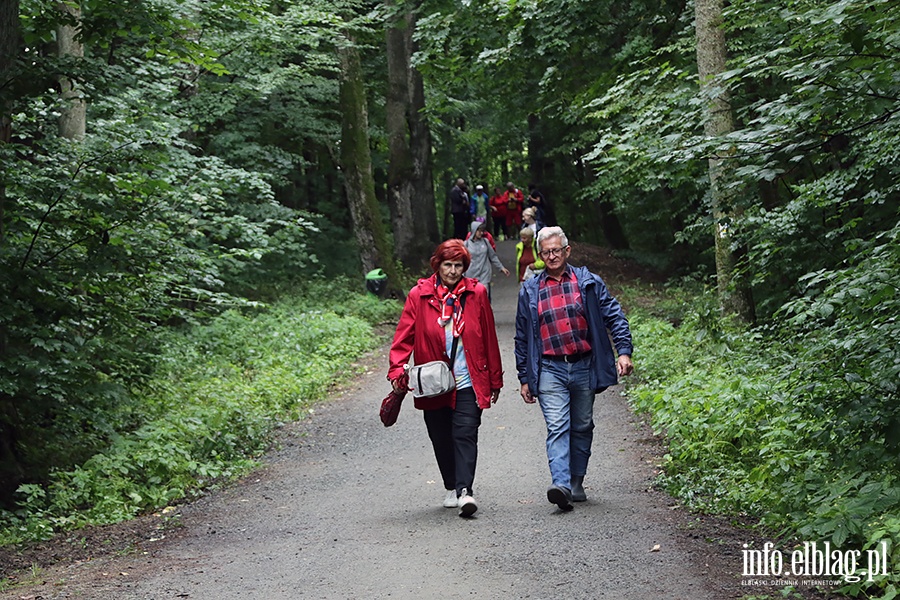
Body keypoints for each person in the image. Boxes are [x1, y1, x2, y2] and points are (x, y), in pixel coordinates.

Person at [514, 226, 634, 511]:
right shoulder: (530, 289)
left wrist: (624, 351)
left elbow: (614, 316)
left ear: (567, 251)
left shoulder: (589, 282)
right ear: (540, 256)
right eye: (546, 252)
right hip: (549, 368)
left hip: (583, 365)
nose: (552, 256)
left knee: (581, 425)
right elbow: (521, 337)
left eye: (557, 250)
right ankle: (562, 485)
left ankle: (576, 480)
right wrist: (524, 377)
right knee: (557, 426)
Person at [388, 239, 503, 517]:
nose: (452, 271)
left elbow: (489, 337)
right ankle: (451, 485)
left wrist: (495, 380)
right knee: (440, 436)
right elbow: (404, 337)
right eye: (447, 265)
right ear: (437, 265)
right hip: (432, 382)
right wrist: (397, 369)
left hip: (468, 379)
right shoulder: (419, 295)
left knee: (465, 433)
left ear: (465, 267)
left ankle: (465, 491)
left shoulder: (477, 294)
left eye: (458, 265)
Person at [464, 221, 510, 302]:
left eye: (482, 231)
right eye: (479, 231)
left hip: (484, 274)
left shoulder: (485, 242)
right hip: (470, 275)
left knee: (484, 297)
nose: (481, 233)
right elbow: (462, 260)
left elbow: (493, 256)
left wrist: (501, 268)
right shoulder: (466, 244)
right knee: (472, 299)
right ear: (474, 230)